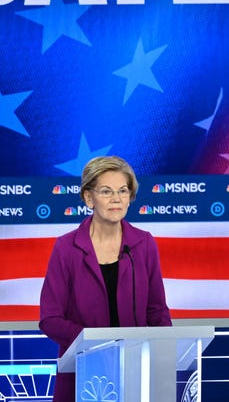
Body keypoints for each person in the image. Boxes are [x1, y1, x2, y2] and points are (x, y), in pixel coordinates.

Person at [39, 155, 172, 402]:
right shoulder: (67, 247)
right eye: (106, 191)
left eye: (123, 190)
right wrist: (95, 344)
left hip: (135, 370)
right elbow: (50, 318)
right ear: (89, 198)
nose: (116, 199)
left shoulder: (143, 244)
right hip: (83, 371)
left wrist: (164, 353)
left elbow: (157, 312)